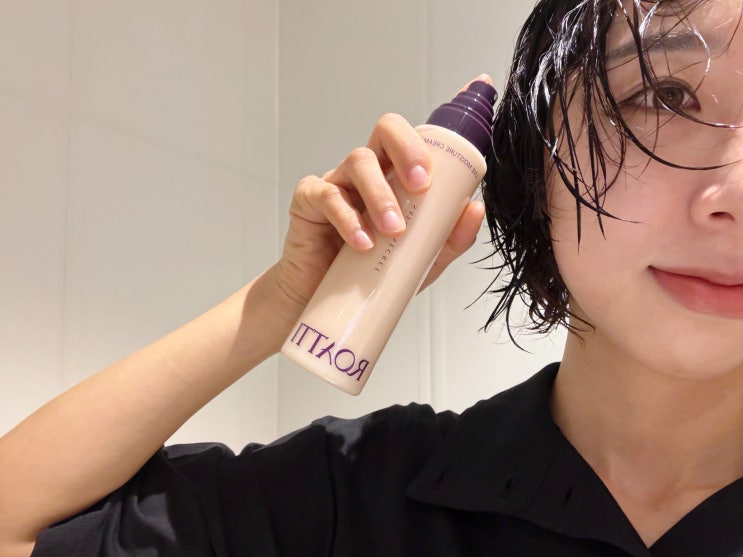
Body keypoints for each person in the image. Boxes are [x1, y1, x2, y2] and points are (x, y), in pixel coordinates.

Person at [3, 0, 743, 554]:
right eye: (664, 95)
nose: (734, 194)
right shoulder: (354, 494)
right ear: (533, 159)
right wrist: (284, 301)